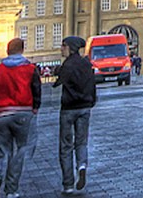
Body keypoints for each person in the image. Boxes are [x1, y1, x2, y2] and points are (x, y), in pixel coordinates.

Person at [0, 37, 41, 198]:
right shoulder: (30, 69)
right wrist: (35, 107)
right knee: (21, 149)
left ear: (7, 51)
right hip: (23, 112)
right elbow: (36, 88)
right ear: (22, 50)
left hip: (0, 114)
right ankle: (12, 189)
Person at [54, 36, 95, 195]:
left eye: (63, 46)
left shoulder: (68, 64)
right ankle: (82, 166)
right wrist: (92, 100)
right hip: (85, 107)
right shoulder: (86, 63)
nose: (61, 49)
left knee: (65, 146)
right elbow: (92, 83)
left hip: (69, 108)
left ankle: (68, 184)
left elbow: (58, 82)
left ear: (70, 48)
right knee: (81, 142)